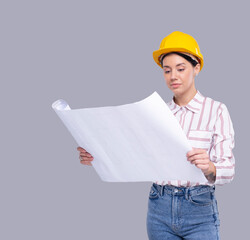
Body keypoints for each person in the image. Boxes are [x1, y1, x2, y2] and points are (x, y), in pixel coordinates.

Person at [77, 31, 235, 240]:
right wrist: (97, 156)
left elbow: (228, 170)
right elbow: (134, 156)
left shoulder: (216, 111)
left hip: (199, 210)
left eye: (181, 68)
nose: (173, 76)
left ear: (196, 67)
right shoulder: (157, 113)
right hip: (158, 209)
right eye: (167, 70)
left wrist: (210, 167)